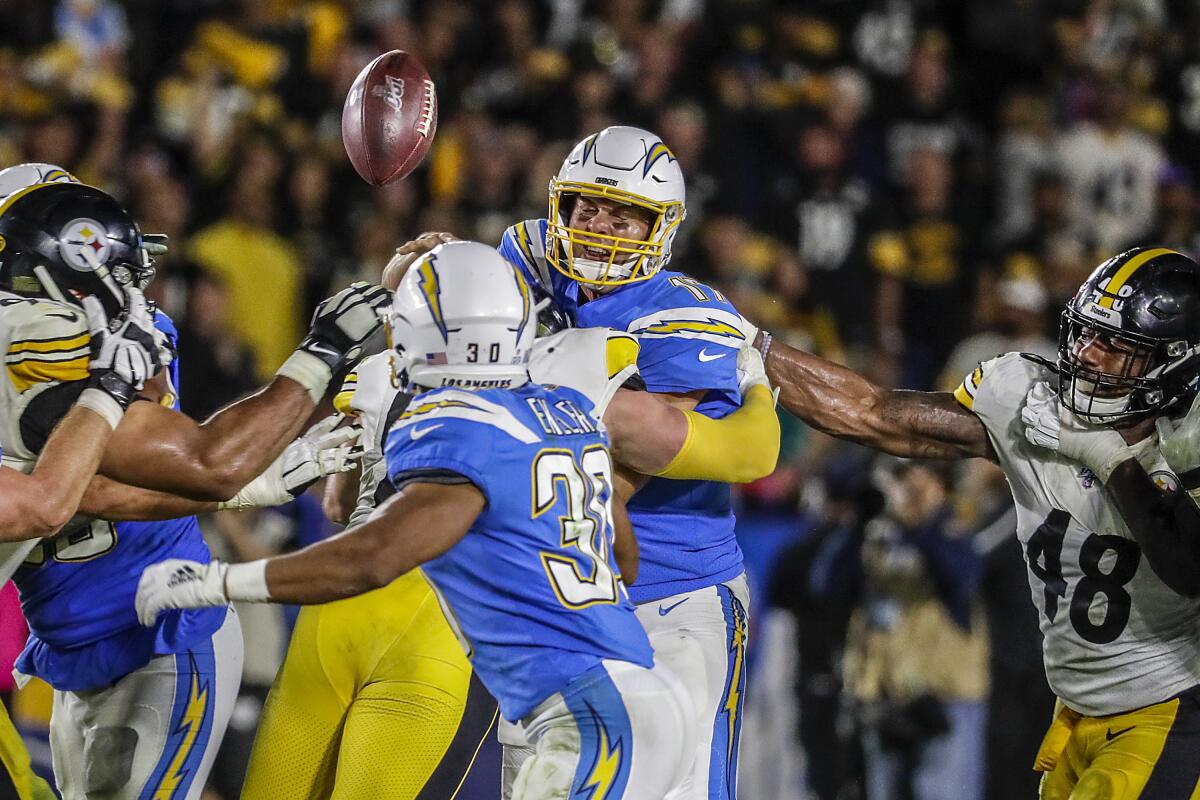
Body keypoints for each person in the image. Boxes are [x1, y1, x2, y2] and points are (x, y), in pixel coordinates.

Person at [135, 244, 704, 799]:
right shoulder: (567, 407)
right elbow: (621, 562)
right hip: (621, 688)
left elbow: (369, 552)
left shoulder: (456, 421)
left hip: (574, 709)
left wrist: (217, 582)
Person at [746, 246, 1200, 795]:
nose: (1087, 354)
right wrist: (751, 348)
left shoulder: (1187, 446)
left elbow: (1188, 564)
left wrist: (1110, 459)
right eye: (1087, 332)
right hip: (1080, 711)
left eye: (1116, 345)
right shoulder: (1032, 404)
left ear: (1174, 362)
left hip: (1170, 713)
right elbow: (873, 413)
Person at [406, 125, 763, 799]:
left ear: (660, 227)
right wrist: (425, 268)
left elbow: (608, 489)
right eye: (587, 207)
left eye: (624, 213)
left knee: (680, 786)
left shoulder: (692, 318)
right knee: (540, 781)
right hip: (566, 592)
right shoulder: (528, 259)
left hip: (671, 593)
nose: (599, 226)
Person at [0, 178, 386, 799]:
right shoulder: (57, 349)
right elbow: (58, 497)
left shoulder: (83, 347)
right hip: (76, 643)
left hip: (158, 636)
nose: (134, 288)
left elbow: (76, 489)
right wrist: (324, 351)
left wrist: (248, 483)